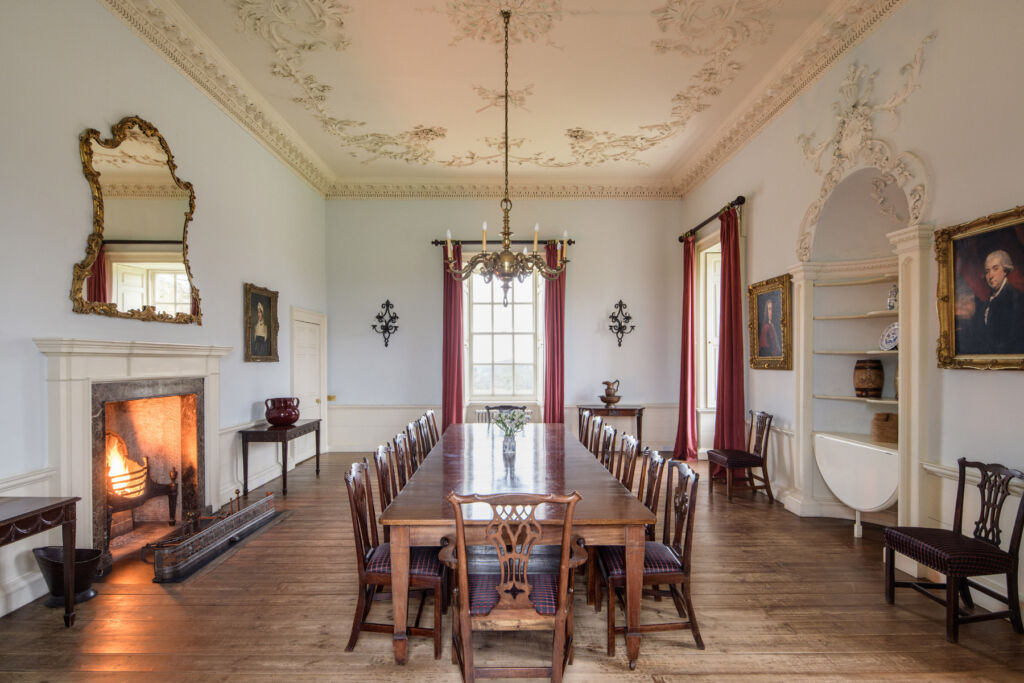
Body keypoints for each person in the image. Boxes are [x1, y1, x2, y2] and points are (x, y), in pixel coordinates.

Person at [960, 249, 1024, 355]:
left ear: (1005, 270)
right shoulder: (988, 300)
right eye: (987, 271)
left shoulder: (1016, 298)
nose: (990, 276)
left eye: (995, 269)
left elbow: (1013, 339)